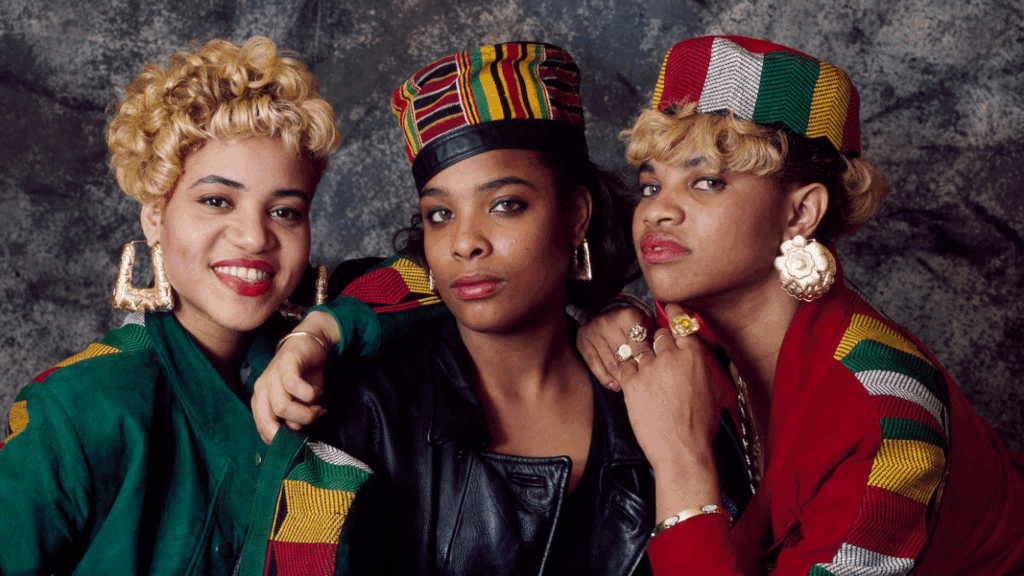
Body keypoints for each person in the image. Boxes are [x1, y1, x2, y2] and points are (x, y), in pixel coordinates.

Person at [250, 42, 751, 576]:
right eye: (440, 214)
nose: (465, 242)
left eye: (505, 205)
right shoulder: (357, 410)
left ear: (575, 215)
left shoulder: (665, 400)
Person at [573, 35, 1024, 575]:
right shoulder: (693, 327)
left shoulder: (885, 419)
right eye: (651, 186)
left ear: (800, 213)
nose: (657, 212)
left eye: (707, 182)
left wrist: (681, 462)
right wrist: (616, 314)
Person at [0, 36, 371, 576]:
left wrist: (319, 333)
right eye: (216, 200)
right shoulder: (77, 409)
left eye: (285, 211)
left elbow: (438, 283)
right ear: (156, 216)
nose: (254, 236)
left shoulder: (325, 372)